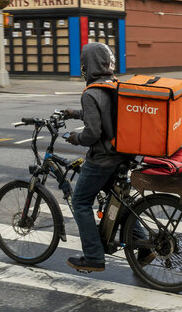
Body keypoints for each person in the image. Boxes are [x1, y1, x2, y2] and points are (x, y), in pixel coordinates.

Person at [62, 42, 154, 272]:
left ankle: (93, 256)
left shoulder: (91, 93)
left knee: (80, 202)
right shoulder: (115, 85)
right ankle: (144, 247)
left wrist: (75, 137)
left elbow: (93, 134)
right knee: (117, 199)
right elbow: (108, 116)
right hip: (123, 155)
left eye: (84, 62)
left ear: (89, 64)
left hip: (102, 159)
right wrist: (76, 114)